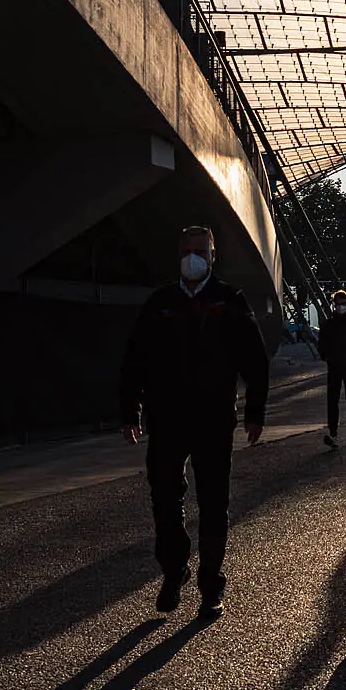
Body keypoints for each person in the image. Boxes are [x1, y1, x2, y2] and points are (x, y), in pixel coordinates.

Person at [120, 224, 270, 620]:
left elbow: (254, 360)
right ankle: (175, 569)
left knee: (214, 502)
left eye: (200, 251)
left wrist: (255, 412)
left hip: (213, 419)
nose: (192, 257)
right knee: (164, 500)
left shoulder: (230, 300)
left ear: (212, 256)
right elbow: (135, 359)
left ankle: (210, 584)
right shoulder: (161, 302)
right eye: (186, 250)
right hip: (166, 419)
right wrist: (129, 410)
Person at [317, 288, 346, 447]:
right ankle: (335, 432)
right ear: (334, 304)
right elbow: (322, 344)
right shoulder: (332, 324)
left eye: (343, 304)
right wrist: (326, 356)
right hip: (336, 365)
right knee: (334, 400)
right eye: (338, 304)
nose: (341, 306)